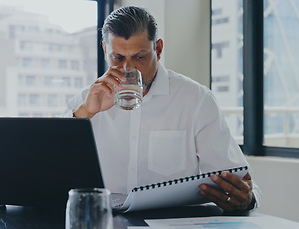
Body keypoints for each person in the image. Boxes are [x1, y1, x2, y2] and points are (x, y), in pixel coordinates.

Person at [66, 5, 261, 211]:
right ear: (105, 51)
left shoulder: (196, 99)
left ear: (158, 50)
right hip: (105, 216)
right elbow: (54, 168)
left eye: (139, 57)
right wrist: (84, 114)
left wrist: (246, 199)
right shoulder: (87, 100)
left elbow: (237, 182)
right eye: (118, 58)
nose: (128, 69)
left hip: (175, 221)